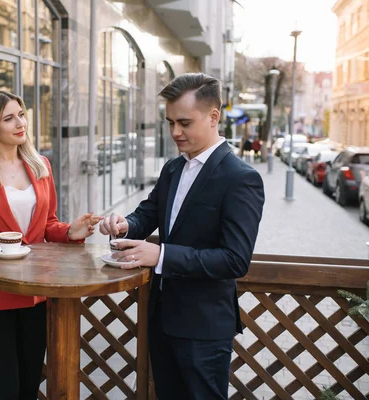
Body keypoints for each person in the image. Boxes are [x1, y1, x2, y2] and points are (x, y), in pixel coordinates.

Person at [100, 73, 265, 400]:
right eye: (170, 122)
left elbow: (235, 260)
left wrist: (160, 256)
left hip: (204, 329)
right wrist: (123, 225)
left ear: (214, 116)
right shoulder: (174, 168)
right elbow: (147, 214)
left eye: (185, 123)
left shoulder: (241, 178)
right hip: (162, 319)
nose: (175, 132)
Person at [0, 90, 102, 400]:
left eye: (21, 114)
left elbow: (48, 225)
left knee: (29, 382)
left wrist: (71, 231)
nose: (21, 123)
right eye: (9, 118)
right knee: (3, 385)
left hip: (37, 293)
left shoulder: (40, 165)